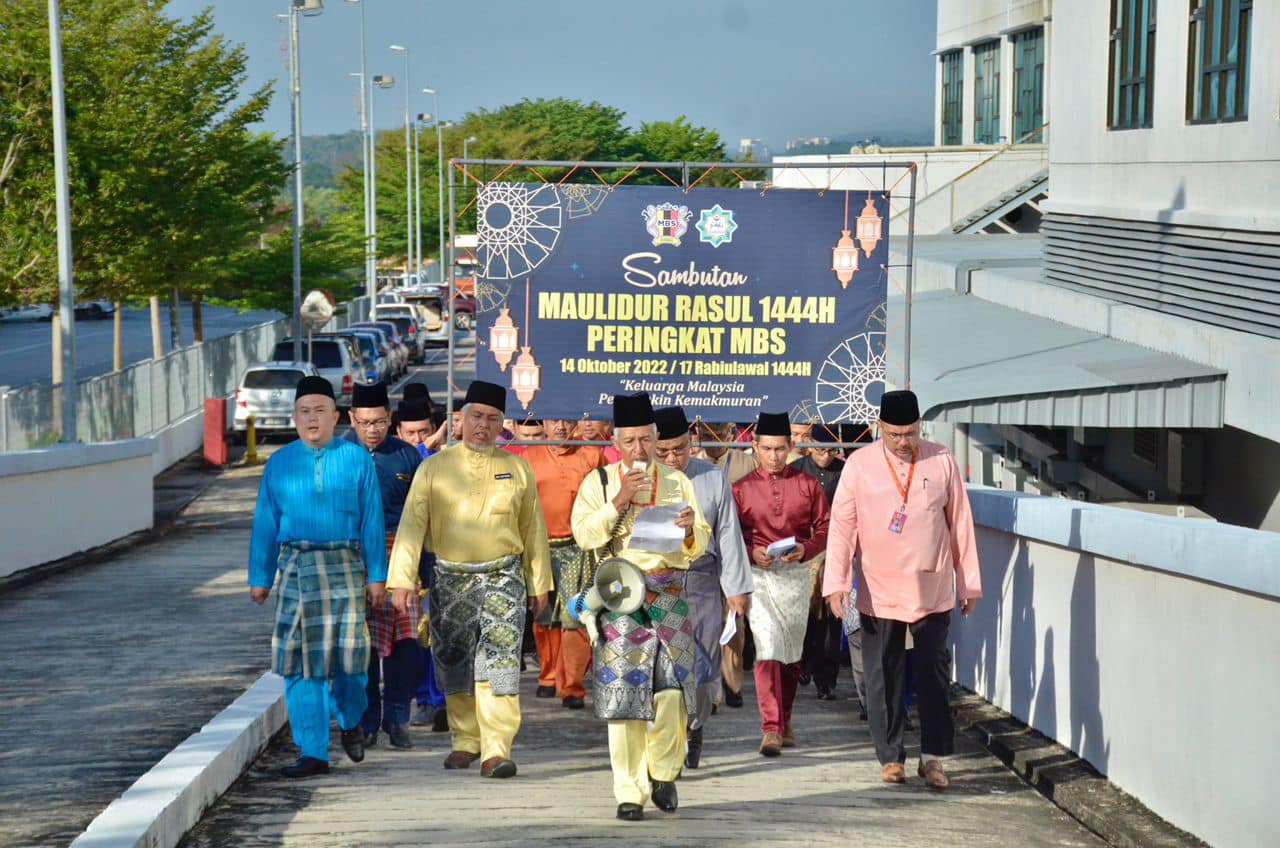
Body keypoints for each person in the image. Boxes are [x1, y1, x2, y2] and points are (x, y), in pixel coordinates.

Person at [387, 381, 552, 779]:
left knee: (500, 663)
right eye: (476, 416)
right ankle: (465, 740)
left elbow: (533, 529)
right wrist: (401, 579)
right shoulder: (434, 468)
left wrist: (539, 581)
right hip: (450, 578)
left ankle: (497, 748)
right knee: (455, 660)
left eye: (492, 418)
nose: (482, 425)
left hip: (503, 578)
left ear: (501, 425)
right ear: (459, 420)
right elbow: (411, 526)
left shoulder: (516, 468)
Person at [823, 390, 982, 790]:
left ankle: (934, 758)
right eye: (894, 434)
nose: (903, 442)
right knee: (883, 674)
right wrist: (837, 582)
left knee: (933, 672)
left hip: (932, 585)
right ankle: (890, 756)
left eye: (910, 433)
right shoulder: (858, 466)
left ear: (919, 429)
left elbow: (960, 524)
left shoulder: (941, 459)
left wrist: (969, 581)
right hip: (879, 586)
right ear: (880, 429)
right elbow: (842, 528)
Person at [571, 393, 710, 821]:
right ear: (616, 441)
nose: (639, 450)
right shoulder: (598, 482)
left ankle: (663, 771)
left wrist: (689, 531)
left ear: (655, 438)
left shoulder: (677, 480)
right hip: (620, 600)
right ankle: (629, 791)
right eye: (629, 441)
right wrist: (618, 502)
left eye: (645, 440)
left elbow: (700, 540)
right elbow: (584, 535)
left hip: (668, 595)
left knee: (671, 691)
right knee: (624, 699)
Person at [247, 376, 386, 778]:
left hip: (345, 566)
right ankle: (312, 752)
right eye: (304, 411)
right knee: (299, 665)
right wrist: (261, 576)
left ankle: (350, 720)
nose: (312, 419)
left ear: (336, 417)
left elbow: (372, 521)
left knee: (350, 662)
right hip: (296, 568)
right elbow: (265, 522)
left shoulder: (356, 459)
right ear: (294, 418)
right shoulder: (279, 463)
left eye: (320, 411)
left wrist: (377, 576)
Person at [652, 406, 752, 770]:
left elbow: (728, 534)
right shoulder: (640, 480)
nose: (671, 458)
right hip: (656, 580)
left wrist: (737, 590)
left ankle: (695, 727)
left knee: (702, 663)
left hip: (702, 578)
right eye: (662, 452)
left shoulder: (710, 478)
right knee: (662, 663)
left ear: (691, 441)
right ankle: (666, 741)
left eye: (678, 449)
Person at [732, 411, 830, 757]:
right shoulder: (741, 490)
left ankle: (785, 719)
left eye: (780, 449)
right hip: (758, 577)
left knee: (791, 653)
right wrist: (750, 551)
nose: (773, 456)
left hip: (796, 576)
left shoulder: (807, 486)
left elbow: (826, 527)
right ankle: (770, 727)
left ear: (791, 448)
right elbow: (729, 536)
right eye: (767, 448)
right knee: (768, 648)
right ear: (755, 447)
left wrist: (806, 549)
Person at [343, 382, 424, 749]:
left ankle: (397, 717)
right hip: (354, 557)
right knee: (361, 645)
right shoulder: (340, 456)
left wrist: (425, 566)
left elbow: (424, 514)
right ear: (351, 420)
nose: (372, 429)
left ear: (389, 418)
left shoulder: (408, 457)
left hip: (401, 554)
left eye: (378, 421)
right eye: (364, 422)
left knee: (405, 643)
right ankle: (367, 721)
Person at [521, 418, 607, 709]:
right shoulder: (527, 456)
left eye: (567, 421)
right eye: (553, 421)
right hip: (539, 547)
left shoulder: (592, 455)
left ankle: (571, 686)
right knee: (543, 614)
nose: (560, 426)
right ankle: (547, 676)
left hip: (577, 547)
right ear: (543, 423)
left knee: (575, 616)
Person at [690, 419, 756, 708]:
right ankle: (712, 691)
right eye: (707, 434)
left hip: (735, 552)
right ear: (698, 434)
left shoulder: (747, 464)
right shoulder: (690, 467)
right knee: (707, 628)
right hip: (702, 556)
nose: (714, 439)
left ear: (732, 432)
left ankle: (733, 683)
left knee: (734, 626)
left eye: (720, 433)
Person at [792, 423, 846, 701]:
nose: (826, 456)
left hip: (836, 549)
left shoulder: (844, 469)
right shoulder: (798, 469)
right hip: (805, 552)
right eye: (821, 450)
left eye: (831, 450)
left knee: (832, 615)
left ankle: (828, 679)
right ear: (809, 446)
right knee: (804, 613)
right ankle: (804, 664)